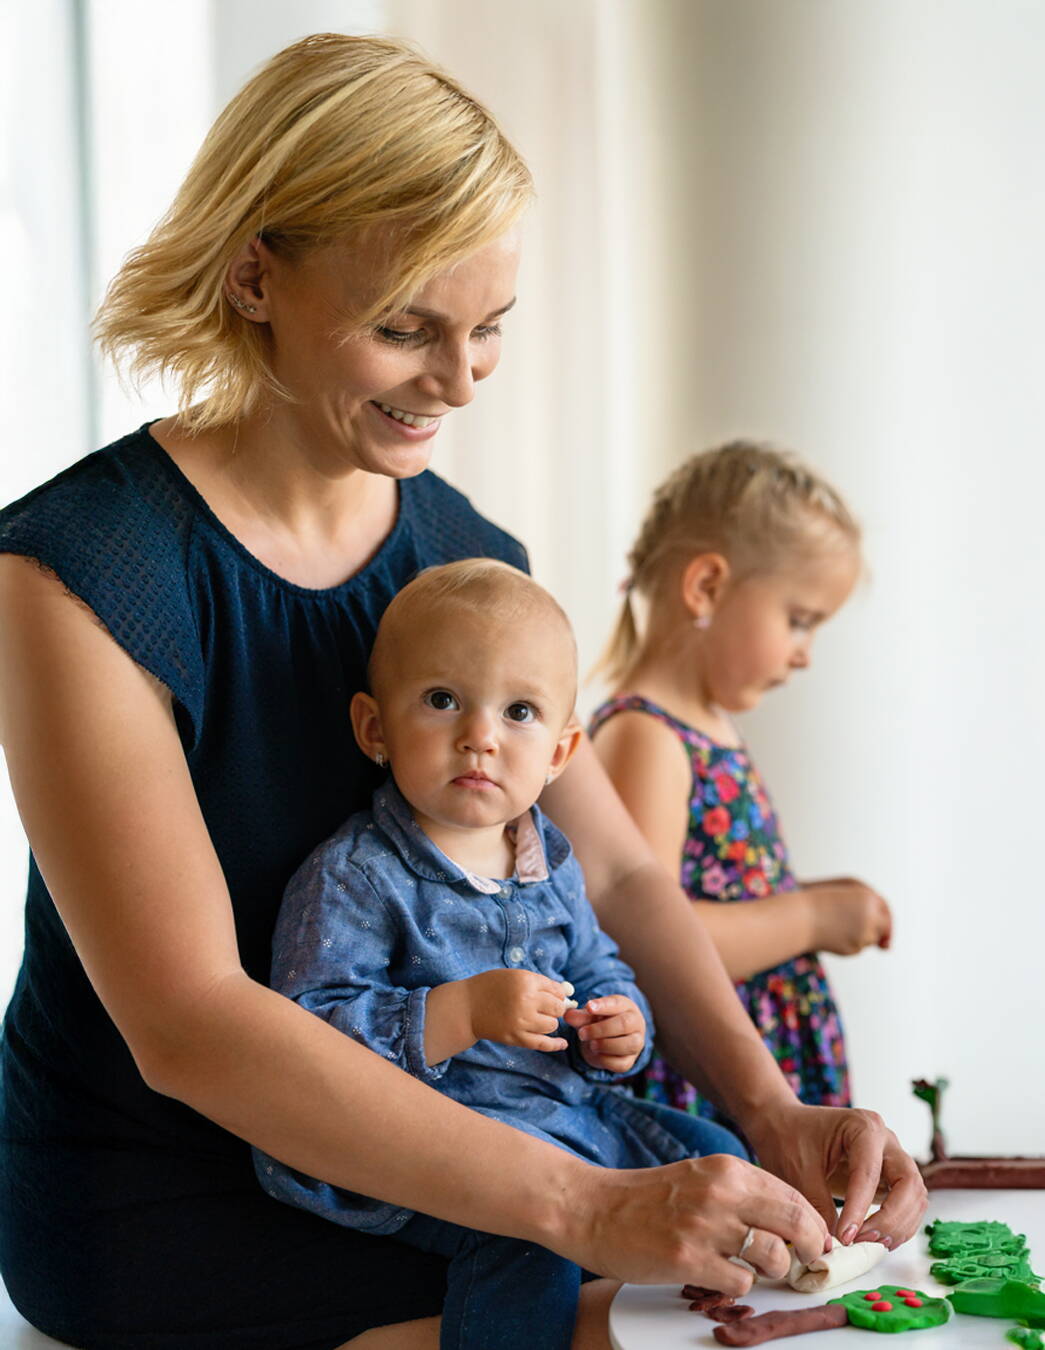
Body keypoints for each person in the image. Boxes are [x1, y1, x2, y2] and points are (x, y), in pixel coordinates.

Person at [0, 32, 925, 1350]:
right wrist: (582, 1205)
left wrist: (771, 1109)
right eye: (403, 329)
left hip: (485, 1156)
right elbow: (189, 1024)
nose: (458, 377)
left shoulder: (461, 552)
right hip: (170, 1198)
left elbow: (615, 877)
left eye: (487, 328)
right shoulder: (79, 569)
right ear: (253, 270)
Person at [254, 559, 750, 1350]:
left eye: (518, 711)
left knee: (717, 1156)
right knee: (529, 1247)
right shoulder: (353, 876)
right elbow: (303, 1038)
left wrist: (619, 1028)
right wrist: (459, 1013)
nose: (480, 736)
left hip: (567, 1118)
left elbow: (597, 967)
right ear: (374, 728)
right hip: (442, 1152)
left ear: (559, 753)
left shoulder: (550, 860)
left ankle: (717, 1329)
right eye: (443, 700)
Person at [589, 442, 893, 1135]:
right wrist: (809, 919)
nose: (803, 653)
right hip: (704, 1092)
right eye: (799, 619)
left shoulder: (704, 727)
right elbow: (651, 941)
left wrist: (812, 899)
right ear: (706, 587)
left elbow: (718, 891)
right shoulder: (647, 737)